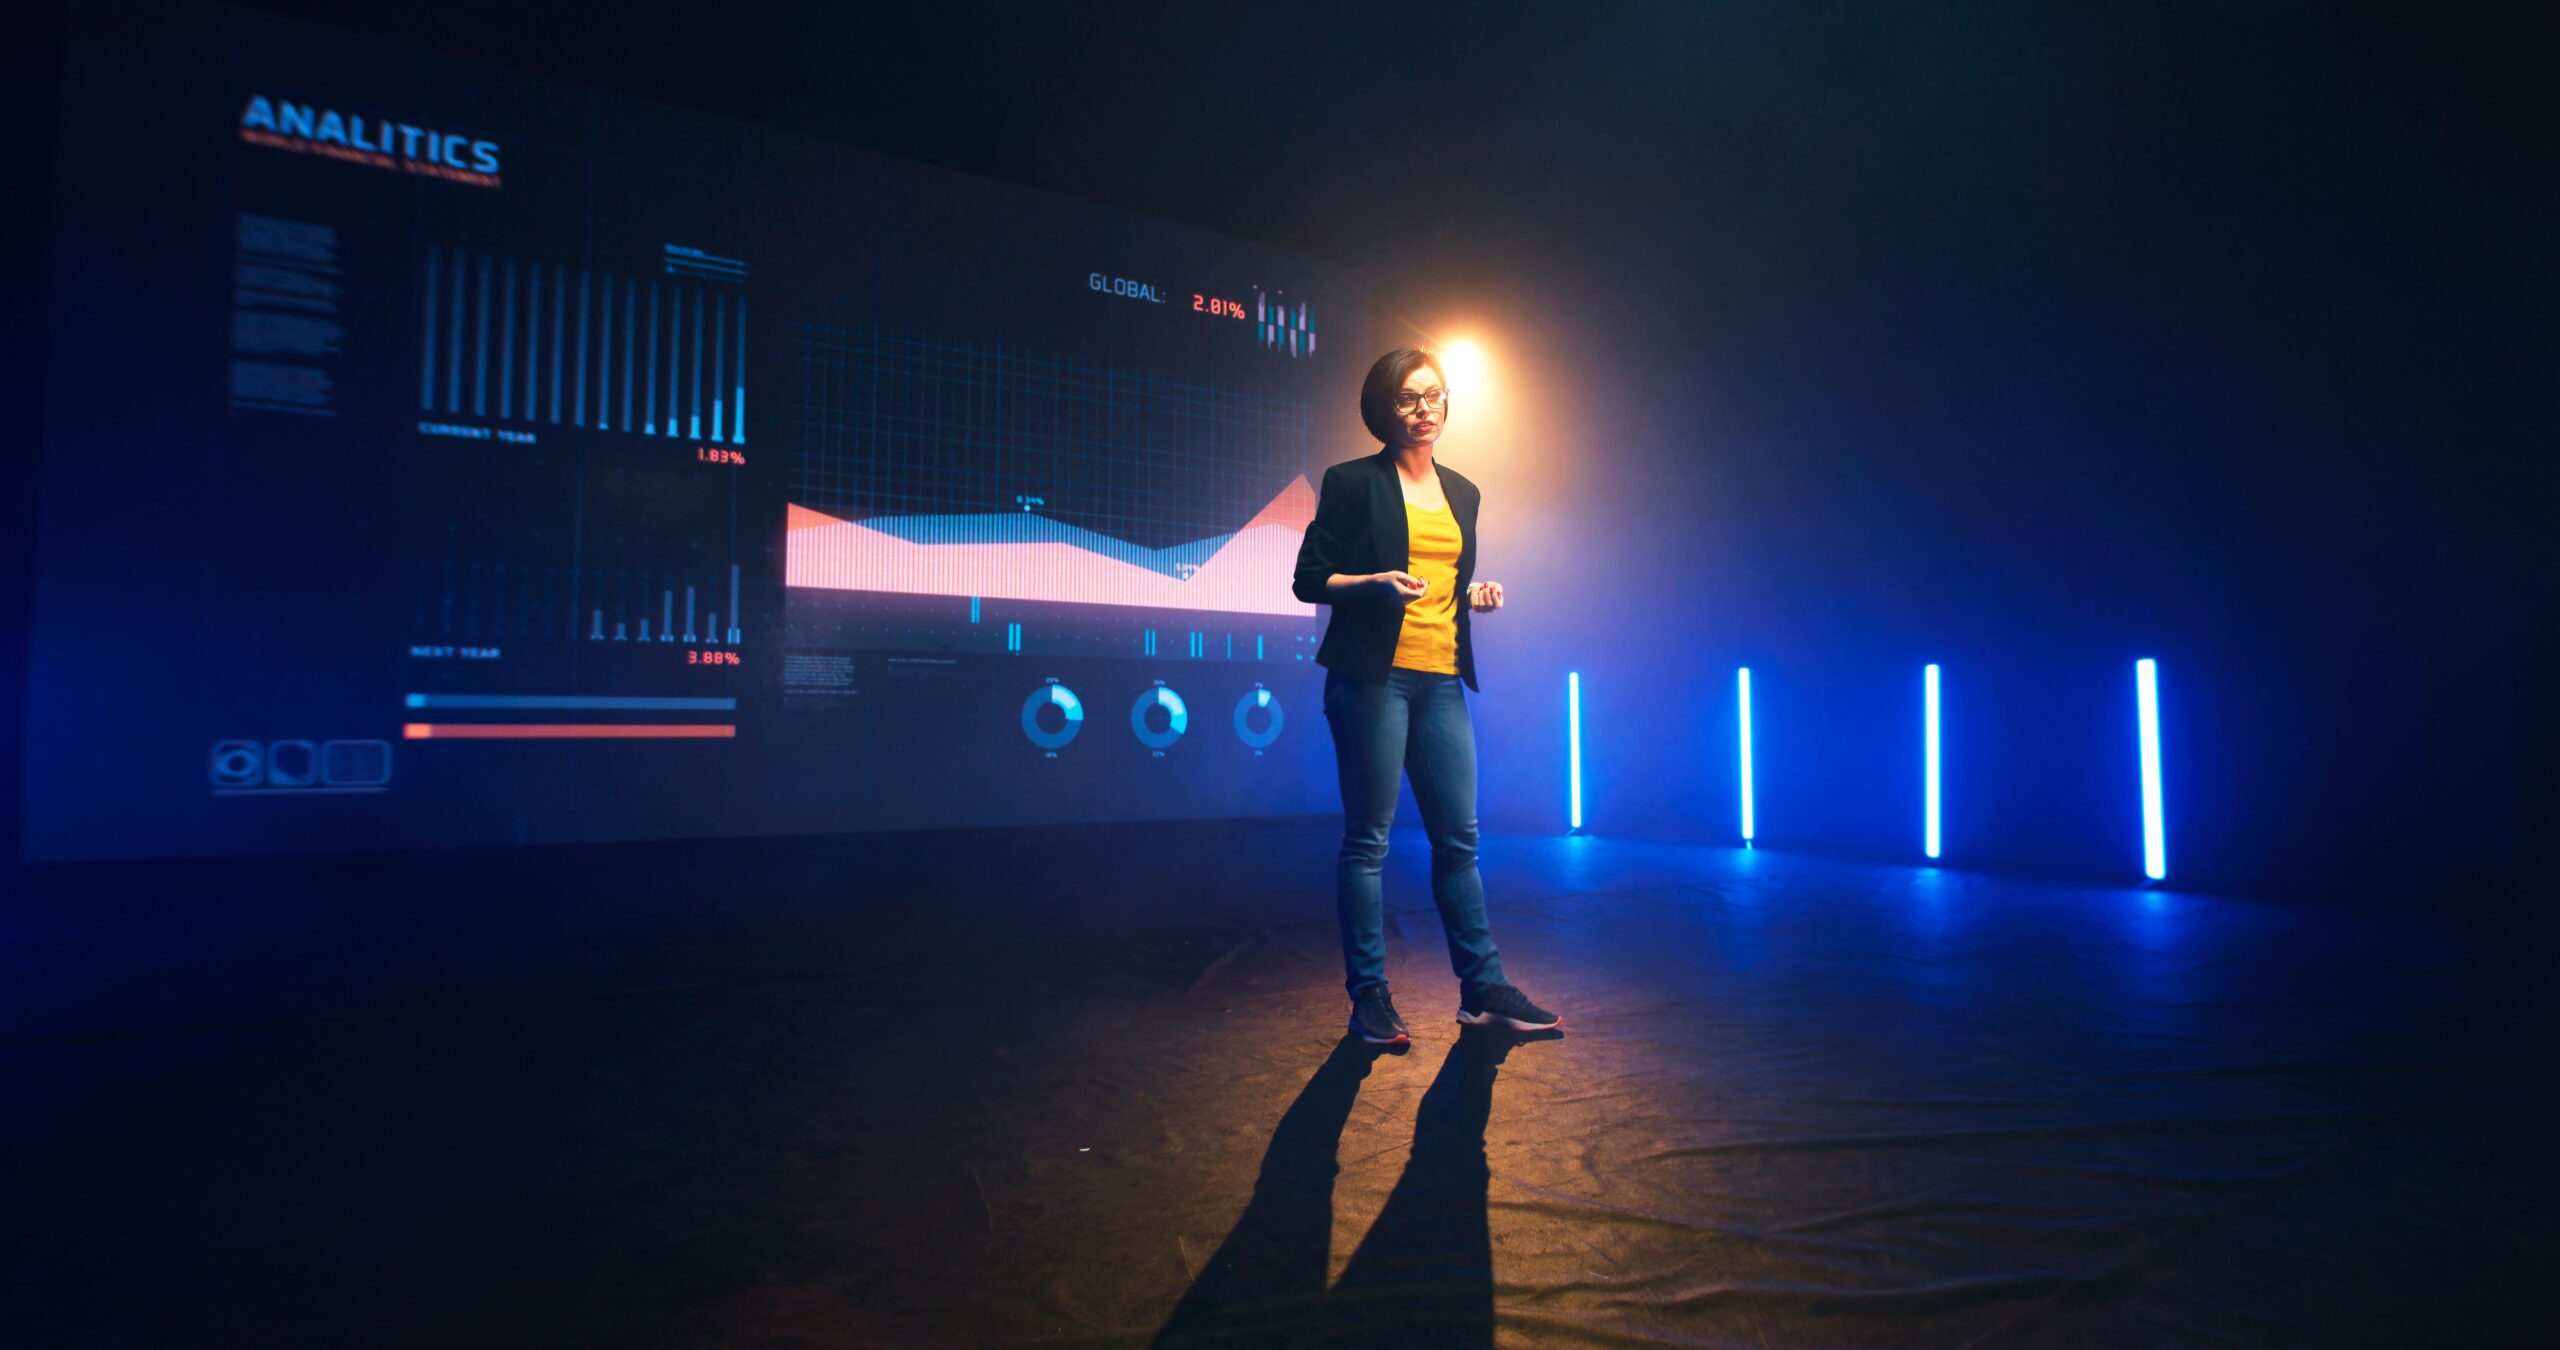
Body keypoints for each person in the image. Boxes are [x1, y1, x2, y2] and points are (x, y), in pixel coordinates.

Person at [1289, 348, 1562, 1045]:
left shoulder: (1463, 491)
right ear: (1384, 408)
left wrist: (1474, 595)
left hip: (1441, 679)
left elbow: (1443, 581)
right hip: (1371, 678)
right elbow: (1309, 578)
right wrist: (1373, 581)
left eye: (1434, 395)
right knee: (1369, 842)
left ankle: (1483, 990)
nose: (1424, 409)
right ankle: (1369, 998)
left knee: (1459, 840)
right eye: (1409, 398)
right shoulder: (1351, 481)